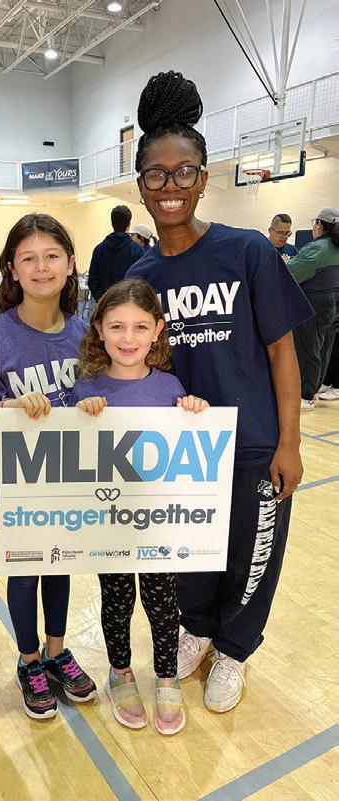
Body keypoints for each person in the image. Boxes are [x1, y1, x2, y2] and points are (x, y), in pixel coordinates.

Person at [127, 71, 313, 713]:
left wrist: (289, 442)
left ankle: (234, 648)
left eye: (184, 172)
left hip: (255, 442)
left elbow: (283, 352)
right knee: (191, 555)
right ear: (141, 185)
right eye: (156, 175)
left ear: (203, 178)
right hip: (182, 450)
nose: (170, 186)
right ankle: (199, 629)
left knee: (253, 555)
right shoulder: (141, 276)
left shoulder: (247, 252)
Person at [0, 213, 97, 720]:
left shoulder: (85, 333)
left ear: (70, 263)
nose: (42, 267)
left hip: (72, 470)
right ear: (12, 270)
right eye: (29, 258)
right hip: (20, 474)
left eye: (52, 256)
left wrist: (93, 405)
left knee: (60, 562)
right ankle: (30, 660)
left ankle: (57, 650)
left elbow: (99, 397)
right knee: (25, 569)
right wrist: (12, 408)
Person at [70, 277, 209, 735]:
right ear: (99, 329)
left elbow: (188, 447)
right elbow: (70, 453)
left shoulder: (170, 386)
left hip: (157, 523)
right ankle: (120, 672)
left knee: (162, 601)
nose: (128, 338)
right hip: (109, 522)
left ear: (157, 331)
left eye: (139, 327)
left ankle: (166, 676)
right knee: (117, 599)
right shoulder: (86, 389)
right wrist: (81, 415)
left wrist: (193, 410)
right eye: (116, 327)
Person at [286, 208, 339, 409]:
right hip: (334, 301)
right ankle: (313, 389)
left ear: (319, 224)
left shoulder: (317, 248)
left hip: (316, 301)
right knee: (324, 349)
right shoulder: (335, 247)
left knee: (309, 349)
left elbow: (292, 273)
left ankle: (306, 395)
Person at [87, 205, 143, 301]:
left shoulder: (99, 250)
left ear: (112, 223)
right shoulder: (137, 250)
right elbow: (141, 281)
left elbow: (92, 280)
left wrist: (102, 300)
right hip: (129, 303)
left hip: (105, 303)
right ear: (129, 224)